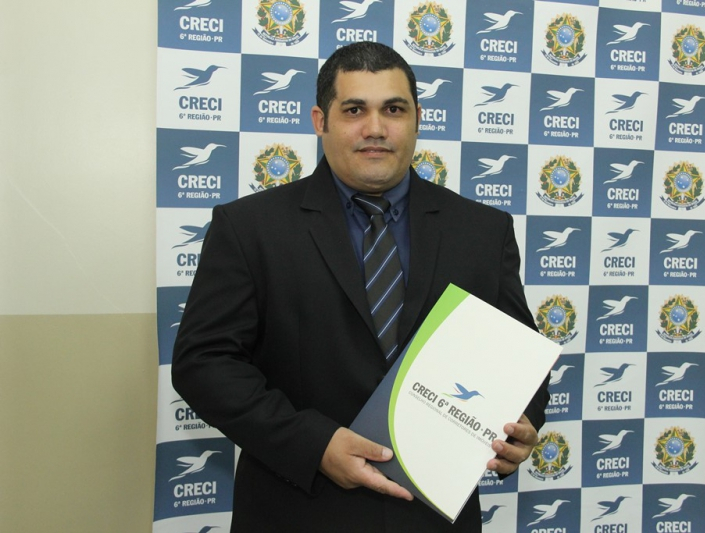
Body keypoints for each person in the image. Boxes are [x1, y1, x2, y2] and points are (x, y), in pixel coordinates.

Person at [172, 41, 549, 532]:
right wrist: (314, 444)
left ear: (418, 119)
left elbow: (519, 357)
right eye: (354, 110)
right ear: (320, 121)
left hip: (433, 517)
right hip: (298, 509)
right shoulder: (249, 227)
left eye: (394, 109)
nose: (375, 128)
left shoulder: (482, 230)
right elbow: (204, 363)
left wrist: (521, 424)